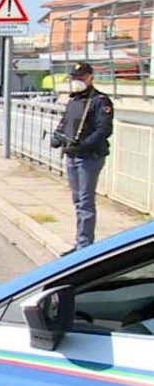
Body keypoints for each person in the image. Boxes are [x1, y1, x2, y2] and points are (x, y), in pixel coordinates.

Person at [51, 62, 114, 254]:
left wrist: (82, 146)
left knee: (86, 201)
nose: (77, 81)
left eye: (81, 77)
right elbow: (66, 123)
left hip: (89, 157)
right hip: (72, 155)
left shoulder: (100, 101)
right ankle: (80, 242)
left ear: (90, 77)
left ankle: (84, 247)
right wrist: (57, 137)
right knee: (77, 200)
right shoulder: (74, 100)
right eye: (75, 78)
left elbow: (104, 130)